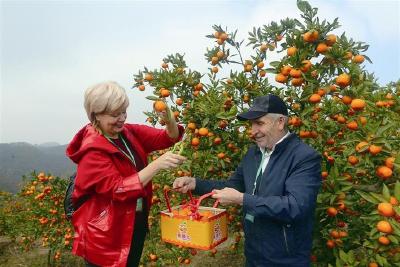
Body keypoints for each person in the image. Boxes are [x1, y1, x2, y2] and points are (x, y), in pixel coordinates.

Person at [173, 94, 321, 267]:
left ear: (280, 122)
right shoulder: (254, 154)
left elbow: (295, 206)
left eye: (259, 123)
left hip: (286, 258)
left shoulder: (303, 157)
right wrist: (195, 184)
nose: (253, 131)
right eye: (251, 124)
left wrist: (242, 199)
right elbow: (232, 186)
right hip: (254, 253)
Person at [66, 81, 186, 267]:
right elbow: (119, 189)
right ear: (95, 115)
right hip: (105, 235)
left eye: (123, 111)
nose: (122, 118)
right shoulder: (92, 153)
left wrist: (170, 120)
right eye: (115, 114)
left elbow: (167, 138)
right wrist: (156, 166)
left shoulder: (127, 133)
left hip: (132, 223)